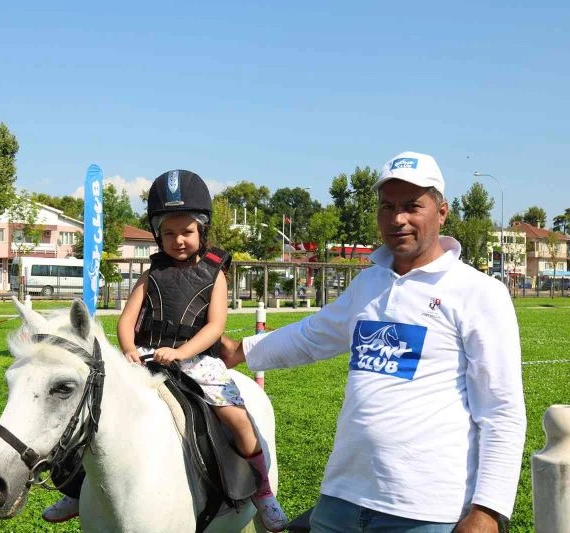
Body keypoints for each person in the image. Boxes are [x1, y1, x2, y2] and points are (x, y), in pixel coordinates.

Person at [219, 151, 527, 533]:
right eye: (388, 207)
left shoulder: (479, 292)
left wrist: (488, 511)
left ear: (442, 212)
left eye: (412, 206)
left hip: (425, 513)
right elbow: (311, 336)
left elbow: (501, 410)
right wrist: (239, 351)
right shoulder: (369, 283)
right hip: (341, 500)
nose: (398, 219)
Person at [41, 170, 289, 532]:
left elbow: (214, 327)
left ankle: (263, 492)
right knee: (96, 412)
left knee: (238, 420)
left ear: (202, 230)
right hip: (147, 356)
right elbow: (127, 321)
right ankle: (79, 489)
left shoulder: (215, 275)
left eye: (186, 231)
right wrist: (129, 349)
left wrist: (182, 352)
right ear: (158, 235)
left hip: (199, 361)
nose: (178, 240)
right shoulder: (151, 273)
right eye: (168, 233)